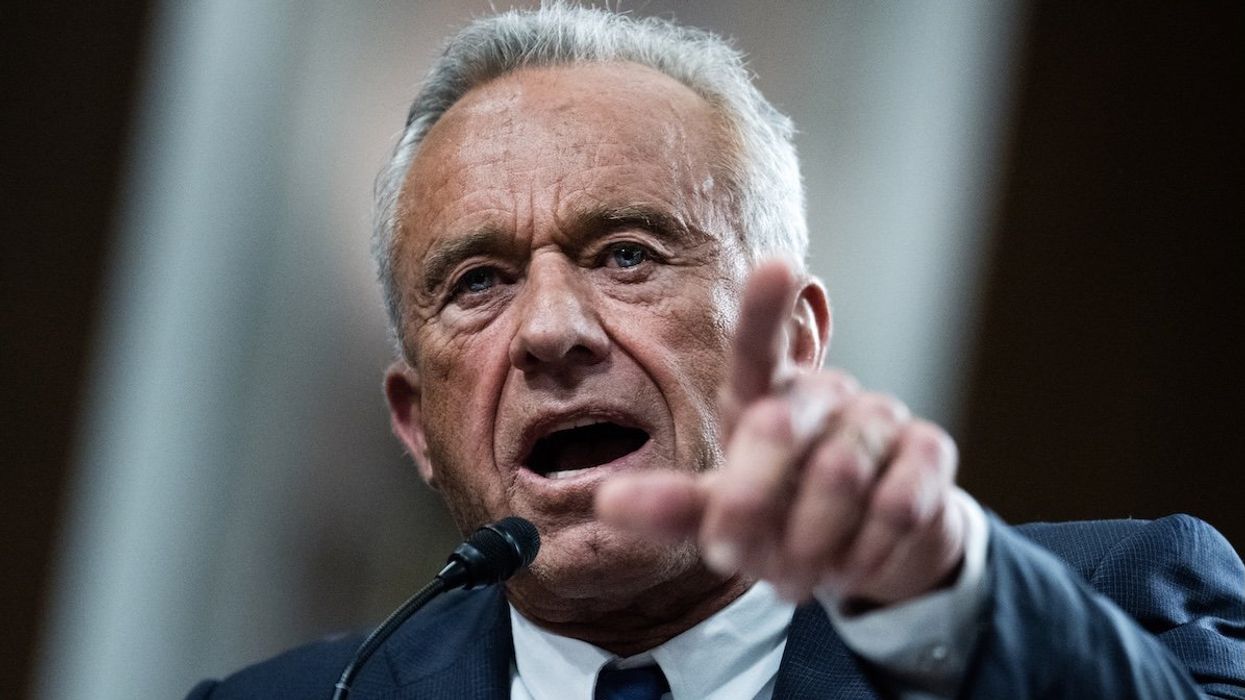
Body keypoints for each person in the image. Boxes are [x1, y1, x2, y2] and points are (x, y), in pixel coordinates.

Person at [188, 5, 1244, 699]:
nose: (553, 329)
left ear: (791, 344)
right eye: (479, 283)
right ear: (417, 424)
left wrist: (957, 603)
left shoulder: (1129, 603)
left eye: (628, 254)